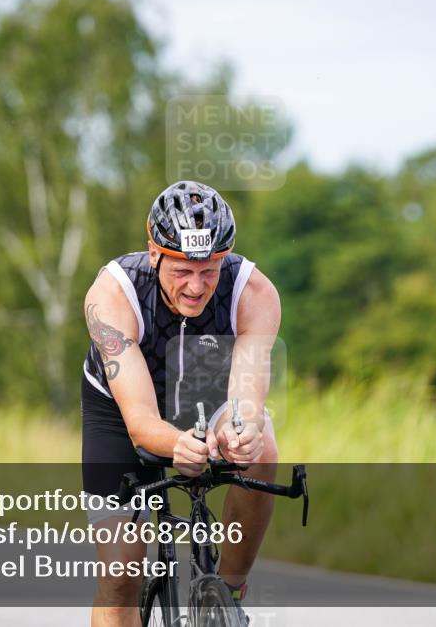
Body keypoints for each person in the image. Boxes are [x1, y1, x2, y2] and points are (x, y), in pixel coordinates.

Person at [81, 180, 281, 627]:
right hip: (120, 409)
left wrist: (241, 432)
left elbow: (247, 399)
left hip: (205, 394)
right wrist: (178, 446)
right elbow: (140, 421)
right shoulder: (114, 295)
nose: (195, 286)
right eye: (182, 271)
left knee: (262, 446)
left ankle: (227, 593)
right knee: (120, 576)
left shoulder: (254, 293)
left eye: (209, 270)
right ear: (154, 253)